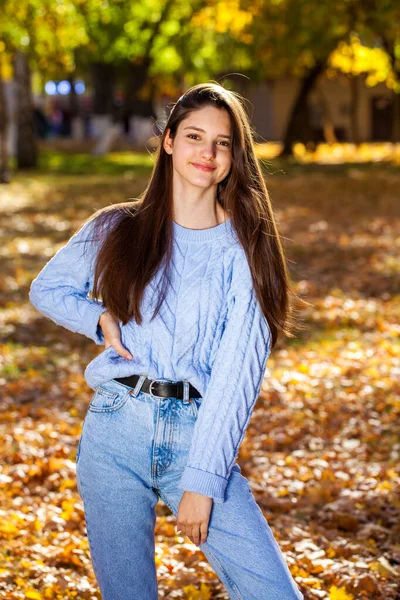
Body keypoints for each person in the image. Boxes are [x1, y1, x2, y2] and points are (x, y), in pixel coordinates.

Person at [29, 82, 304, 600]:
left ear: (234, 156)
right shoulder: (116, 226)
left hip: (196, 437)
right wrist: (99, 318)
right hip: (114, 429)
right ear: (170, 142)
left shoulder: (244, 249)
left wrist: (203, 478)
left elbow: (238, 373)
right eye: (196, 136)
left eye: (222, 143)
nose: (208, 152)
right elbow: (46, 289)